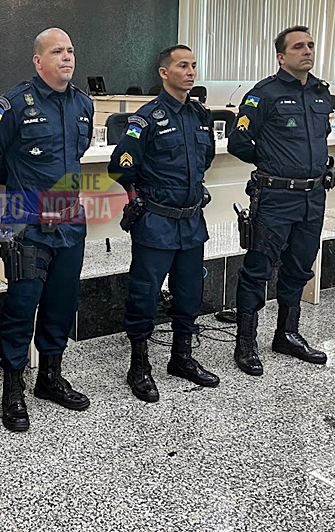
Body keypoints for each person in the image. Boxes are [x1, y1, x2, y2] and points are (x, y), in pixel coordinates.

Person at [0, 27, 93, 432]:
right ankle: (13, 387)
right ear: (38, 61)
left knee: (62, 305)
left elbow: (75, 154)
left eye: (71, 50)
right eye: (57, 51)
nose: (67, 57)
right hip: (27, 225)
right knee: (21, 308)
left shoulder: (83, 104)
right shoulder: (13, 104)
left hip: (70, 222)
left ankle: (50, 377)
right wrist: (20, 185)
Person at [107, 45, 220, 402]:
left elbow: (207, 158)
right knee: (144, 296)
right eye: (182, 66)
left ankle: (182, 358)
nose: (190, 72)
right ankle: (139, 366)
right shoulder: (146, 119)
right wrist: (136, 194)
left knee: (189, 295)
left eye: (193, 66)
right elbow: (120, 165)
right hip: (155, 222)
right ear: (163, 72)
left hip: (191, 222)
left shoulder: (200, 115)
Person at [227, 25, 333, 376]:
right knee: (258, 269)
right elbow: (238, 142)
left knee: (299, 267)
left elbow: (322, 137)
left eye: (310, 45)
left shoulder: (321, 94)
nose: (307, 51)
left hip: (313, 197)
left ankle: (287, 334)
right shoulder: (263, 94)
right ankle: (246, 342)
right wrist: (272, 162)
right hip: (274, 196)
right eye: (298, 46)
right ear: (281, 56)